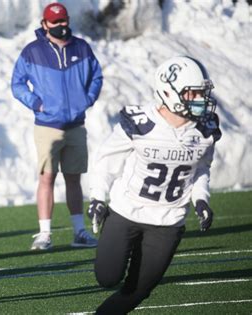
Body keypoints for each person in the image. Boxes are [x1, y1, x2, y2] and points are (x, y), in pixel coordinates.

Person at [87, 56, 221, 314]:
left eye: (201, 93)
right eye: (193, 93)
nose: (200, 100)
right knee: (107, 277)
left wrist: (201, 198)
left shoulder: (204, 130)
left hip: (168, 221)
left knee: (138, 289)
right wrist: (97, 197)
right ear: (169, 92)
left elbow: (201, 168)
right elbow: (106, 160)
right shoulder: (142, 123)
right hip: (128, 211)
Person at [11, 2, 103, 250]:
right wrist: (36, 104)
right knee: (47, 178)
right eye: (55, 22)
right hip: (47, 126)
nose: (60, 25)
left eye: (63, 20)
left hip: (76, 125)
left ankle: (80, 232)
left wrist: (88, 99)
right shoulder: (32, 51)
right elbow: (17, 84)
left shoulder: (82, 48)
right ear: (44, 24)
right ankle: (44, 234)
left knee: (74, 179)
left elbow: (97, 76)